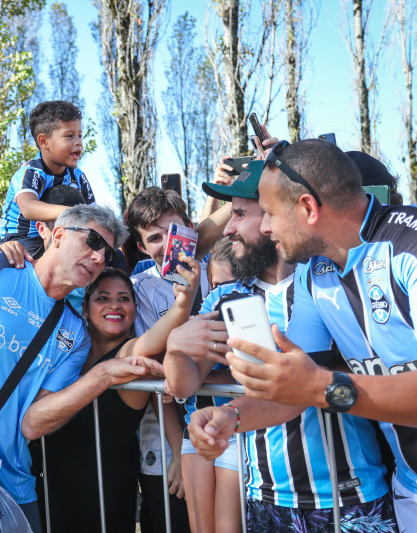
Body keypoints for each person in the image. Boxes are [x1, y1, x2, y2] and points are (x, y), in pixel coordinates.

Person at [190, 138, 417, 530]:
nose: (263, 227)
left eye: (268, 213)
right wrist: (229, 416)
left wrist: (324, 387)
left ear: (308, 208)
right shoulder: (315, 273)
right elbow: (297, 391)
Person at [167, 159, 395, 532]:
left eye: (240, 214)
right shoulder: (224, 298)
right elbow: (184, 385)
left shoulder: (329, 278)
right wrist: (176, 348)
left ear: (275, 214)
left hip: (349, 495)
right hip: (265, 497)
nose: (229, 228)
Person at [0, 204, 163, 532]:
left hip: (12, 486)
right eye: (93, 242)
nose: (99, 257)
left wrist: (103, 376)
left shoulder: (75, 335)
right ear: (57, 234)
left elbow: (31, 424)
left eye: (108, 254)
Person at [35, 262, 200, 533]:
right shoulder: (68, 352)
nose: (115, 305)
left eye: (124, 299)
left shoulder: (130, 354)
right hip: (49, 488)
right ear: (85, 309)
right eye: (103, 298)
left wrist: (183, 301)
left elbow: (154, 350)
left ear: (134, 310)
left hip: (103, 495)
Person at [124, 186, 231, 533]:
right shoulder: (139, 288)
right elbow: (155, 375)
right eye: (154, 238)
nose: (167, 244)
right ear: (141, 246)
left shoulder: (224, 267)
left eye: (175, 231)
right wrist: (177, 450)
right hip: (176, 439)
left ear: (190, 227)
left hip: (236, 427)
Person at [0, 100, 96, 256]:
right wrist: (72, 212)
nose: (78, 142)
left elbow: (93, 212)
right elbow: (28, 208)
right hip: (24, 240)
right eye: (69, 136)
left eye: (80, 135)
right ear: (44, 141)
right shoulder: (30, 173)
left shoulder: (78, 176)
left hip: (60, 234)